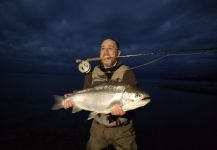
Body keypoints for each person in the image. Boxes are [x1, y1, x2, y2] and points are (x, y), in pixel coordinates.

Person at [64, 38, 139, 150]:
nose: (105, 52)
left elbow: (133, 102)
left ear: (118, 53)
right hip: (97, 129)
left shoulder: (127, 72)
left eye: (110, 48)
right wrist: (73, 100)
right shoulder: (91, 73)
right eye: (102, 49)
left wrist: (123, 112)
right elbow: (86, 95)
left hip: (123, 131)